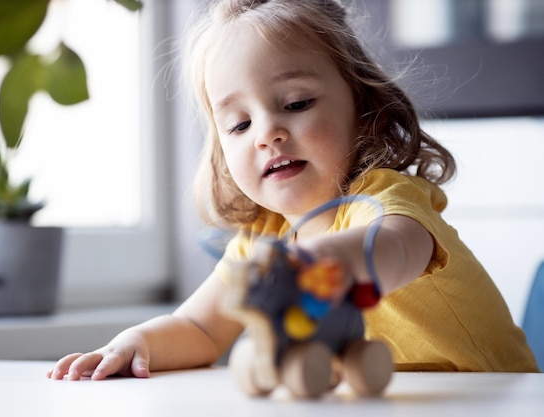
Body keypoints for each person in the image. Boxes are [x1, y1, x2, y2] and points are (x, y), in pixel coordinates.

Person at [47, 0, 539, 380]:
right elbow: (200, 329)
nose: (267, 133)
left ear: (362, 106)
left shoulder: (386, 196)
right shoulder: (264, 239)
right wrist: (137, 343)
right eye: (238, 125)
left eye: (297, 103)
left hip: (494, 399)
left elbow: (393, 248)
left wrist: (320, 266)